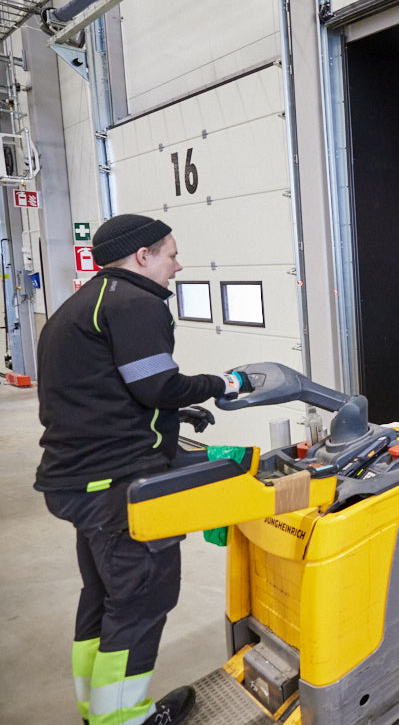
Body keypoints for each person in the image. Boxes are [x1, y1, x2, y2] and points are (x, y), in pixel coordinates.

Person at [34, 214, 254, 725]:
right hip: (117, 486)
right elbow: (156, 387)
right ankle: (124, 719)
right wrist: (220, 385)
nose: (179, 265)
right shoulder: (135, 303)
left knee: (105, 596)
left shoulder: (79, 305)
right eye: (172, 254)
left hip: (75, 482)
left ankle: (97, 710)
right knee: (142, 598)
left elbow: (107, 391)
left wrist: (177, 414)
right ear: (142, 256)